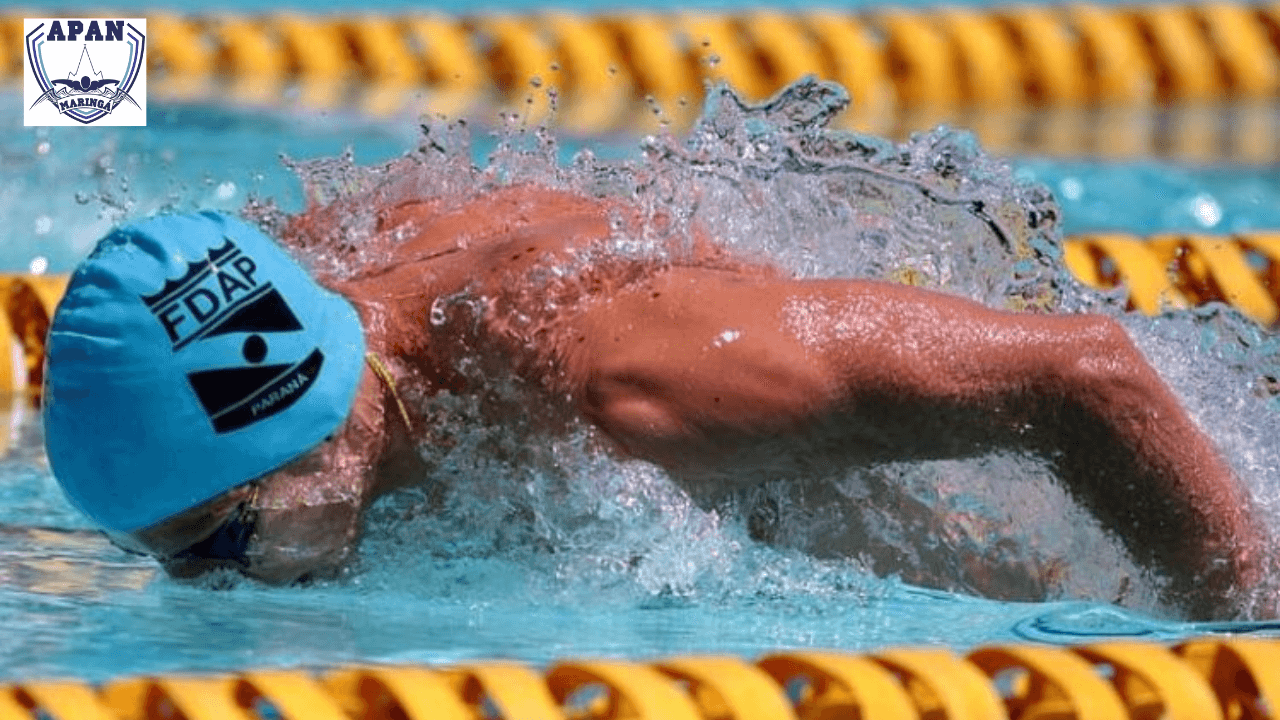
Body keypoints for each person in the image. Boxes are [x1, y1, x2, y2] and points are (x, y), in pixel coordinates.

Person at [43, 186, 1269, 619]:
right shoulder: (318, 292)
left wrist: (1239, 638)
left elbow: (1081, 377)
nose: (210, 589)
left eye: (218, 545)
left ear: (301, 438)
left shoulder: (625, 385)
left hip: (970, 556)